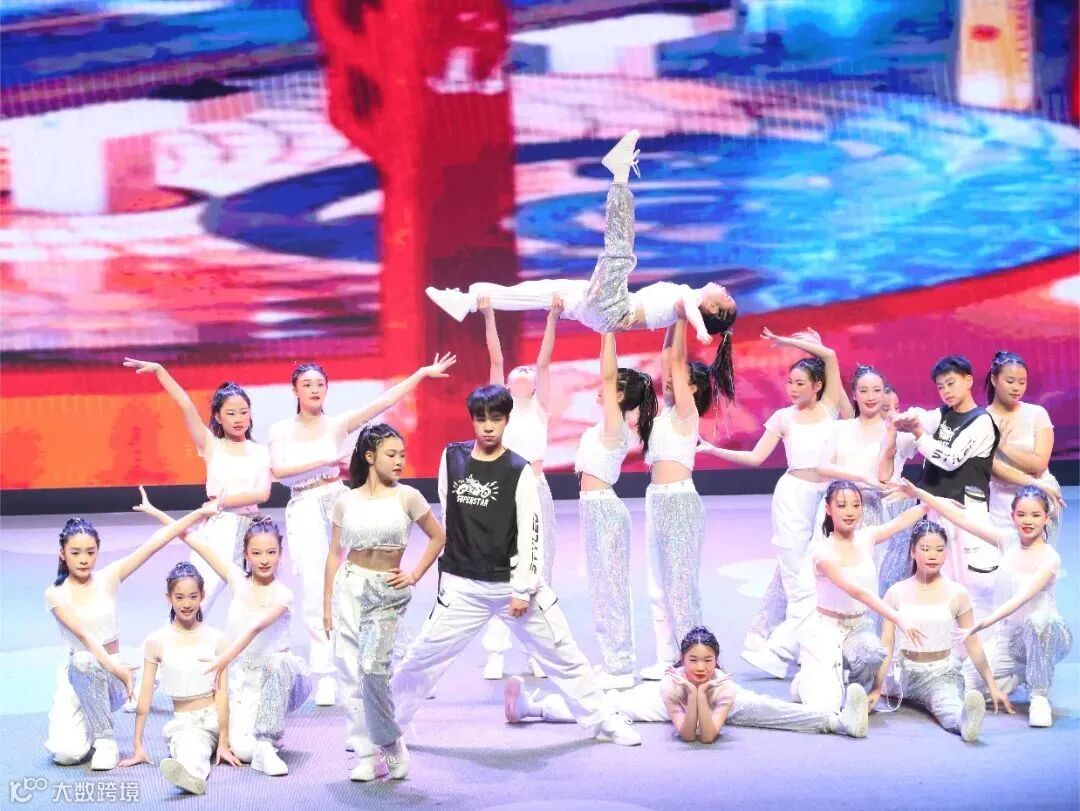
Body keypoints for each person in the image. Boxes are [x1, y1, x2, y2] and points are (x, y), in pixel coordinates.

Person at [391, 385, 642, 749]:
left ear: (507, 420)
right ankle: (383, 729)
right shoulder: (451, 458)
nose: (488, 426)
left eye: (495, 419)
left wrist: (523, 587)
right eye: (481, 419)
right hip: (463, 586)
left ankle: (603, 721)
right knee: (421, 659)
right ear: (472, 420)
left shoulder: (518, 470)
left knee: (564, 656)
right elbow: (448, 512)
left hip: (513, 588)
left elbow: (531, 532)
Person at [425, 129, 738, 384]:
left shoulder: (689, 301)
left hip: (613, 309)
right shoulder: (681, 310)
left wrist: (701, 330)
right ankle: (465, 302)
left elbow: (689, 308)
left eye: (725, 297)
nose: (724, 289)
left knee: (620, 254)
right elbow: (675, 326)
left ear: (712, 307)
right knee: (543, 292)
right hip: (602, 314)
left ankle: (619, 174)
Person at [269, 353, 455, 706]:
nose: (314, 389)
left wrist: (419, 373)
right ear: (294, 390)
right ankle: (326, 673)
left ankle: (401, 667)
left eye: (320, 384)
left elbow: (382, 403)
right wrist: (326, 460)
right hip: (304, 506)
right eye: (306, 384)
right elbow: (279, 471)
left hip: (339, 500)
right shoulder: (281, 430)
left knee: (370, 579)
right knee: (315, 588)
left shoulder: (336, 424)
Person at [698, 327, 851, 678]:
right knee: (797, 580)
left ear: (818, 385)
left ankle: (785, 651)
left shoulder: (829, 408)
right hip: (792, 497)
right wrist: (713, 450)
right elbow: (755, 458)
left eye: (800, 383)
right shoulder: (783, 417)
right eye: (790, 382)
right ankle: (789, 652)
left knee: (820, 576)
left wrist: (789, 343)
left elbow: (830, 357)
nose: (793, 389)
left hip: (826, 499)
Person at [136, 489, 312, 777]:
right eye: (256, 553)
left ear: (280, 554)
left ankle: (267, 744)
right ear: (245, 554)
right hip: (242, 678)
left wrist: (224, 658)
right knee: (242, 750)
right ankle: (210, 749)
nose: (264, 559)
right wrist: (156, 512)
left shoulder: (284, 595)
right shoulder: (235, 578)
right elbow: (191, 538)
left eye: (271, 552)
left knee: (276, 664)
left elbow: (255, 627)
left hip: (276, 677)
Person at [44, 502, 214, 770]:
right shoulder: (55, 594)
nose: (84, 559)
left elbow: (156, 542)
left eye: (90, 552)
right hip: (83, 675)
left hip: (114, 678)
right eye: (75, 553)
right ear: (62, 554)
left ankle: (105, 741)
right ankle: (90, 721)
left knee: (87, 662)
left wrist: (199, 513)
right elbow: (85, 637)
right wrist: (118, 669)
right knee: (66, 754)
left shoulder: (109, 577)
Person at [323, 423, 446, 781]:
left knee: (373, 669)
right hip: (349, 586)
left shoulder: (408, 497)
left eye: (402, 455)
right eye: (391, 454)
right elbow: (334, 555)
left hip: (386, 590)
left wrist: (414, 574)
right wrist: (326, 603)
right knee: (349, 673)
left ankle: (390, 742)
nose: (399, 461)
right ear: (369, 456)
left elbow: (438, 537)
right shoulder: (345, 501)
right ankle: (366, 754)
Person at [896, 482, 1071, 728]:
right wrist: (918, 493)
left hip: (1046, 636)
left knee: (1039, 621)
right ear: (1012, 516)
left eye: (1035, 515)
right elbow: (960, 518)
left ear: (1045, 518)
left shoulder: (1050, 557)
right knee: (962, 682)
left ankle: (1039, 696)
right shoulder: (1007, 540)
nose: (1028, 521)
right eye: (1021, 514)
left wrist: (983, 623)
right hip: (1009, 640)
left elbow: (1022, 598)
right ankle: (1016, 677)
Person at [504, 626, 869, 740]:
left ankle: (839, 722)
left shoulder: (725, 687)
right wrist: (692, 694)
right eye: (692, 660)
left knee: (769, 709)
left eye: (707, 661)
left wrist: (705, 693)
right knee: (606, 703)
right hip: (662, 705)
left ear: (717, 661)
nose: (700, 667)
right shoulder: (667, 685)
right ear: (681, 661)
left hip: (716, 702)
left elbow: (708, 735)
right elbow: (688, 734)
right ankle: (531, 707)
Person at [122, 360, 272, 613]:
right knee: (199, 600)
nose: (238, 419)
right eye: (231, 413)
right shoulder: (211, 445)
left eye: (243, 412)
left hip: (253, 533)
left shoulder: (260, 451)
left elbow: (262, 494)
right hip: (219, 529)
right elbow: (185, 405)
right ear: (218, 417)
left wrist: (221, 501)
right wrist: (160, 371)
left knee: (255, 603)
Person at [639, 314, 733, 679]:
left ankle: (695, 655)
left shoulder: (686, 411)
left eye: (679, 380)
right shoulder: (664, 412)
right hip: (655, 499)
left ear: (692, 389)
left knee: (680, 583)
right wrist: (672, 317)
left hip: (679, 502)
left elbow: (676, 360)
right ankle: (667, 657)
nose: (668, 380)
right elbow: (668, 358)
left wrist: (681, 314)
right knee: (657, 584)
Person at [868, 519, 1014, 742]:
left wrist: (992, 686)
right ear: (912, 551)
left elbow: (972, 642)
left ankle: (965, 722)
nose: (933, 555)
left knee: (947, 706)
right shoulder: (895, 592)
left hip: (939, 673)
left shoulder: (957, 594)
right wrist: (877, 688)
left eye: (939, 549)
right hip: (902, 675)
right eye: (925, 549)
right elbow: (886, 643)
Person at [477, 295, 561, 680]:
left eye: (529, 373)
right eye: (517, 373)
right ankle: (496, 652)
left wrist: (553, 316)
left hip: (537, 488)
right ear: (508, 386)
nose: (525, 373)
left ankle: (537, 652)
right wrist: (489, 314)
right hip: (505, 492)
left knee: (539, 567)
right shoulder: (500, 412)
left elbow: (543, 362)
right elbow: (496, 360)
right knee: (501, 569)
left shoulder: (541, 409)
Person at [792, 480, 928, 714]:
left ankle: (856, 691)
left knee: (871, 653)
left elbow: (900, 522)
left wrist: (930, 502)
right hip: (827, 629)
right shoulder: (823, 552)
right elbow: (857, 591)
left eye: (856, 505)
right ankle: (805, 681)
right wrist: (898, 618)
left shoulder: (867, 537)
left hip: (859, 626)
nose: (850, 512)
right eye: (842, 505)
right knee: (825, 708)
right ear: (828, 509)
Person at [576, 333, 657, 688]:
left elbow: (608, 374)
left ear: (619, 396)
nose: (600, 388)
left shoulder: (615, 424)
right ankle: (613, 662)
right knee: (601, 588)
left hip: (605, 511)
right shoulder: (605, 425)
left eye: (608, 387)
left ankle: (621, 667)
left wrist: (607, 331)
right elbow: (609, 379)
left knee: (612, 588)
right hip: (593, 510)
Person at [119, 562, 242, 795]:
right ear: (169, 598)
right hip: (188, 722)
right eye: (179, 597)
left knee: (247, 747)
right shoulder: (156, 641)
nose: (187, 604)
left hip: (221, 715)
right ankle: (191, 777)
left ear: (202, 595)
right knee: (192, 749)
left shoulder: (217, 638)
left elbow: (222, 693)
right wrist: (138, 746)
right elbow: (145, 697)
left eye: (193, 596)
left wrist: (224, 741)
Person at [890, 355, 1000, 616]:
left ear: (968, 381)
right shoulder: (942, 415)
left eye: (951, 384)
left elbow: (951, 460)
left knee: (972, 584)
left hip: (965, 513)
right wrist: (906, 420)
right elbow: (919, 418)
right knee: (935, 579)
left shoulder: (981, 421)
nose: (946, 391)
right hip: (934, 510)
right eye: (940, 387)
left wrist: (918, 433)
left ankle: (975, 637)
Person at [982, 351, 1063, 544]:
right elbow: (993, 470)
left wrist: (1002, 445)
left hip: (1039, 499)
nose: (1016, 387)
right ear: (994, 379)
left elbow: (1039, 464)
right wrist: (1031, 477)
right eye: (1010, 381)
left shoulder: (1037, 413)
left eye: (1022, 382)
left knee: (1037, 557)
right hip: (1001, 503)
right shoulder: (981, 419)